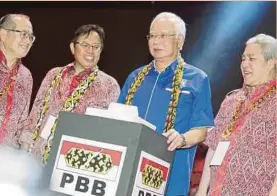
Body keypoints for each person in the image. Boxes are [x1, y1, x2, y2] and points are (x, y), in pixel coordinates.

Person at [118, 12, 214, 196]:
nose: (155, 41)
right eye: (152, 36)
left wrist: (182, 139)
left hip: (171, 173)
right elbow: (117, 117)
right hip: (128, 170)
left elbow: (202, 130)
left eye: (163, 35)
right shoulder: (136, 77)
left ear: (180, 41)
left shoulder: (197, 79)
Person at [20, 24, 120, 164]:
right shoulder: (54, 74)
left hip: (75, 160)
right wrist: (24, 154)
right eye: (85, 44)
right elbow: (35, 114)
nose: (90, 51)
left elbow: (107, 131)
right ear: (73, 47)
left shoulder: (109, 85)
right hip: (37, 156)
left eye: (95, 47)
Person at [196, 34, 277, 196]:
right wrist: (201, 191)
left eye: (252, 59)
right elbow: (213, 147)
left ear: (271, 63)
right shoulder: (231, 100)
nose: (245, 64)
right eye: (243, 59)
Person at [0, 14, 34, 148]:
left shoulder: (25, 76)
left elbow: (23, 122)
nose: (28, 41)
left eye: (31, 37)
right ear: (3, 34)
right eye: (24, 34)